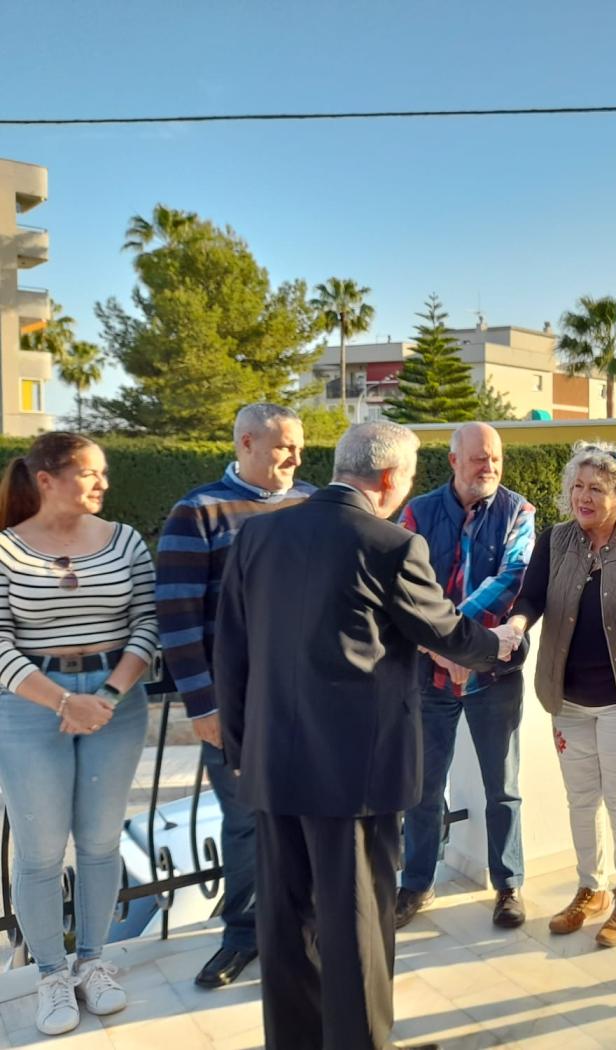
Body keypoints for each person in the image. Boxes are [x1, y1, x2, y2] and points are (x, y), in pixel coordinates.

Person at [214, 421, 519, 1050]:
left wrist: (243, 752)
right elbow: (447, 633)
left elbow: (231, 653)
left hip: (272, 766)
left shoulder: (258, 535)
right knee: (357, 925)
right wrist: (500, 644)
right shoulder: (391, 545)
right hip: (356, 775)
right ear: (388, 479)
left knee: (285, 922)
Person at [0, 433, 159, 1036]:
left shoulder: (122, 542)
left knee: (99, 840)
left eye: (103, 474)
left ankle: (94, 961)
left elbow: (148, 620)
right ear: (46, 480)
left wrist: (107, 698)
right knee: (39, 852)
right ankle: (50, 974)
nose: (103, 484)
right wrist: (66, 701)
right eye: (90, 474)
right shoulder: (6, 551)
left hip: (116, 700)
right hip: (29, 704)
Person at [155, 402, 314, 990]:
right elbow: (175, 617)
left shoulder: (312, 504)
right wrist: (203, 706)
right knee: (247, 821)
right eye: (283, 447)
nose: (296, 457)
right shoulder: (198, 512)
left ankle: (301, 926)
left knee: (307, 814)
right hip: (238, 708)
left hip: (311, 703)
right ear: (247, 443)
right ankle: (242, 936)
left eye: (299, 447)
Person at [505, 440, 616, 948]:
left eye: (596, 488)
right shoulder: (555, 541)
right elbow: (530, 597)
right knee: (581, 798)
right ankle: (590, 887)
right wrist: (516, 625)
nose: (583, 497)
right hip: (568, 699)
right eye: (577, 486)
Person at [395, 422, 535, 931]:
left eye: (495, 458)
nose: (489, 467)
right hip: (428, 672)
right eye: (478, 458)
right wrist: (444, 645)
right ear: (454, 461)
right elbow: (407, 587)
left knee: (503, 788)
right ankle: (416, 884)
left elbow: (513, 579)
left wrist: (458, 641)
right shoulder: (417, 513)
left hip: (493, 675)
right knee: (423, 787)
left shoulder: (519, 512)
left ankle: (509, 885)